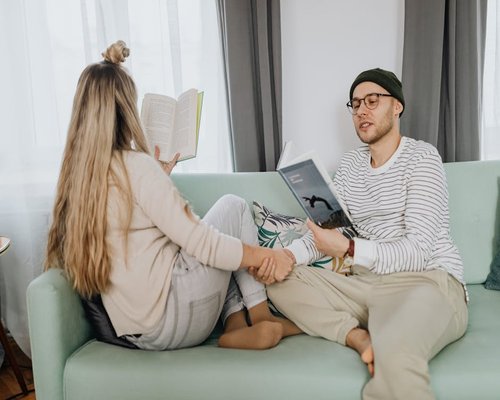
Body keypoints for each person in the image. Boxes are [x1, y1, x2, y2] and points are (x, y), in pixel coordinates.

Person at [45, 40, 300, 351]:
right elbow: (201, 242)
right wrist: (266, 256)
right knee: (231, 209)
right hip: (175, 318)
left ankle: (235, 321)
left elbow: (129, 228)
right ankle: (261, 316)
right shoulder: (136, 167)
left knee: (219, 239)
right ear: (127, 111)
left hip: (138, 333)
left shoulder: (78, 177)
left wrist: (158, 179)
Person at [264, 68, 468, 399]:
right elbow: (329, 236)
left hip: (425, 282)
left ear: (397, 106)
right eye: (356, 104)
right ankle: (358, 334)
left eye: (372, 101)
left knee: (397, 357)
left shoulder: (423, 157)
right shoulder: (349, 166)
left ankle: (375, 333)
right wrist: (287, 256)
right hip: (364, 286)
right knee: (279, 279)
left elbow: (417, 250)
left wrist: (347, 248)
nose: (361, 110)